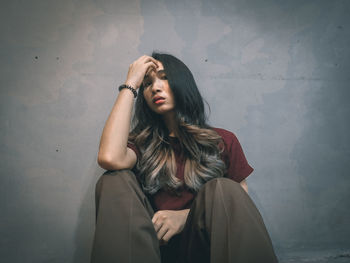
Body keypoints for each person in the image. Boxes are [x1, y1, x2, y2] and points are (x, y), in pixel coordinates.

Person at [90, 52, 278, 263]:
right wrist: (130, 84)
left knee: (223, 188)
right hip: (152, 251)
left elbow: (238, 204)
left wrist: (183, 218)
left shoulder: (223, 140)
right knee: (113, 179)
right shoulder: (140, 144)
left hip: (203, 252)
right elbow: (109, 157)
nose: (155, 88)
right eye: (147, 83)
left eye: (164, 77)